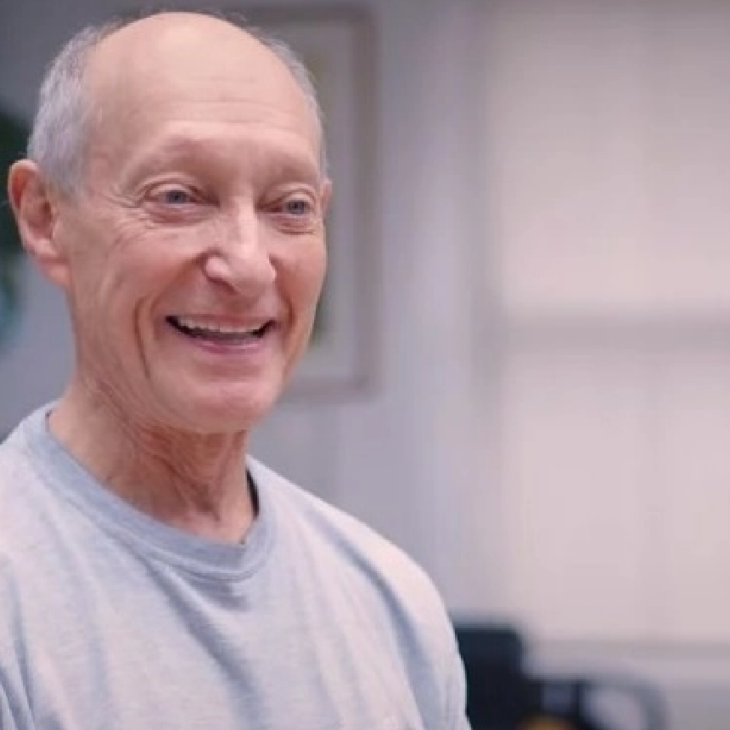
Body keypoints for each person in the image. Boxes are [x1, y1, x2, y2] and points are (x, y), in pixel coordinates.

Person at [0, 10, 471, 730]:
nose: (249, 264)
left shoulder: (392, 602)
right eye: (179, 196)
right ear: (44, 217)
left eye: (291, 207)